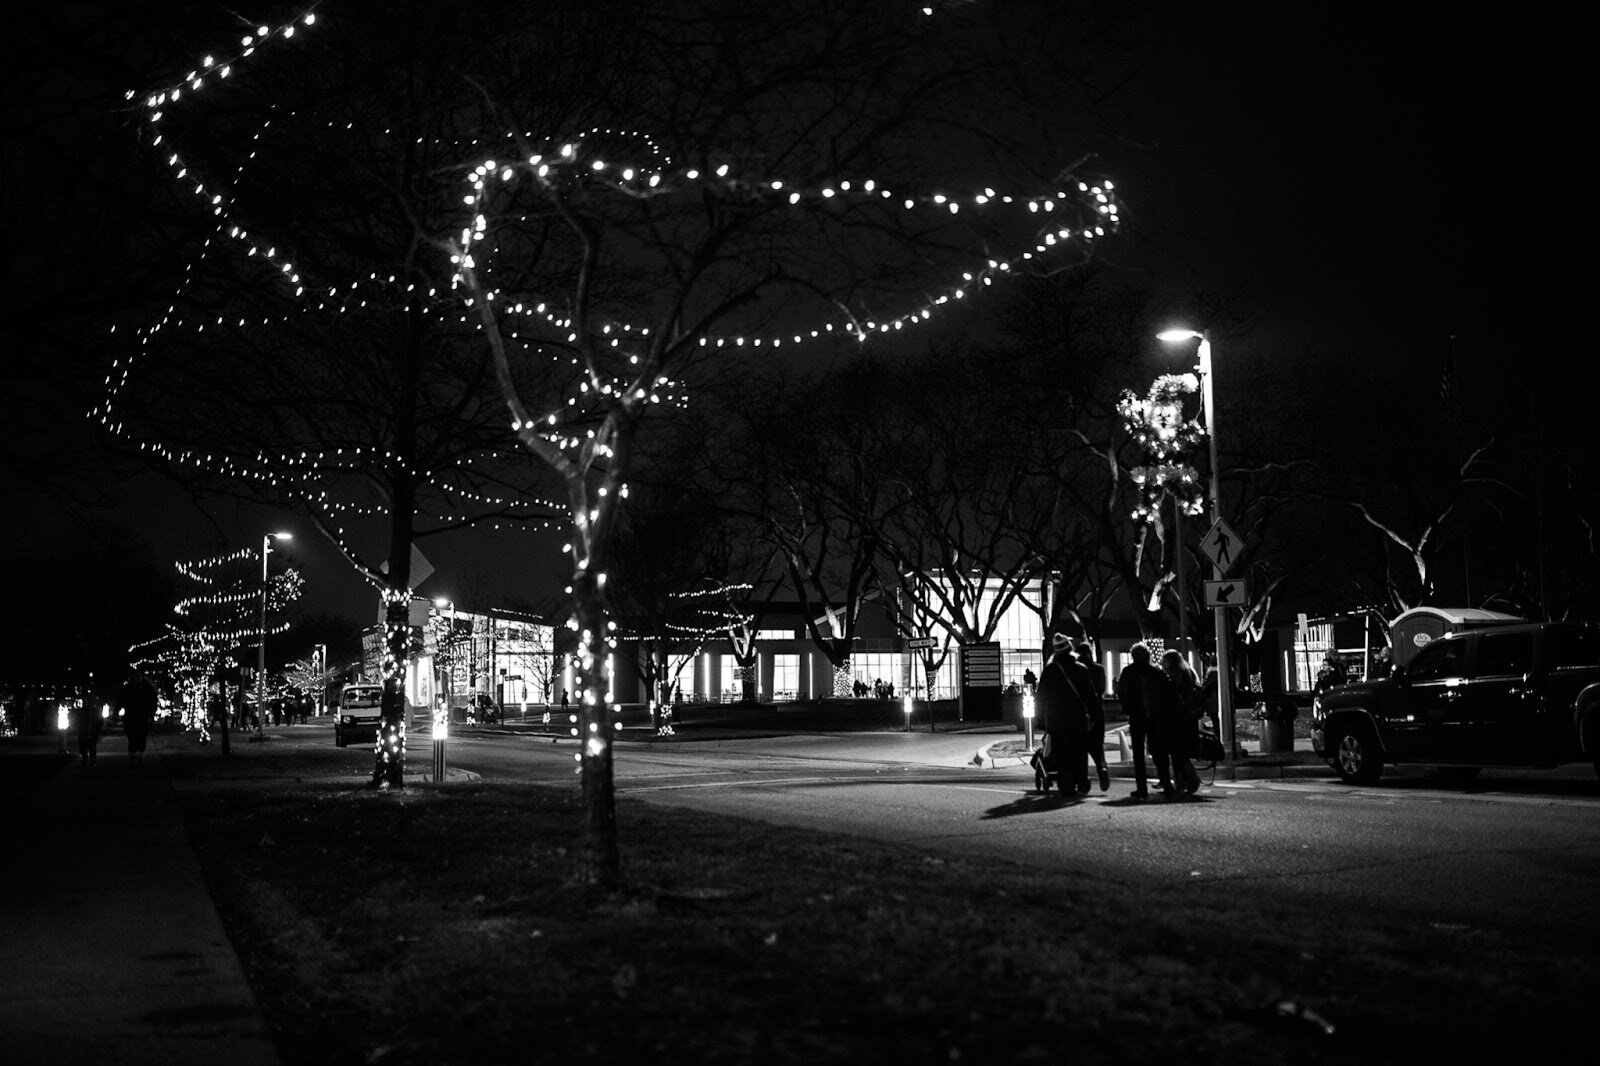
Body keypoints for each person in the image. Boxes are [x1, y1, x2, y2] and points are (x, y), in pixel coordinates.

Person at [1036, 633, 1090, 795]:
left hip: (1056, 719)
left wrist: (1040, 720)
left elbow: (1041, 697)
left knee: (1060, 751)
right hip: (1077, 718)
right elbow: (1090, 696)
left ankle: (1065, 779)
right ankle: (1081, 780)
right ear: (1070, 648)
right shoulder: (1081, 670)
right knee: (1079, 750)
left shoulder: (1050, 671)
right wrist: (1093, 716)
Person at [1114, 642, 1167, 801]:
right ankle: (1166, 782)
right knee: (1158, 750)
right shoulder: (1155, 672)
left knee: (1138, 753)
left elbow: (1122, 692)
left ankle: (1141, 788)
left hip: (1137, 715)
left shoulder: (1128, 672)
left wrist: (1127, 707)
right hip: (1155, 716)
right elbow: (1165, 692)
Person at [1159, 650, 1204, 796]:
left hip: (1180, 718)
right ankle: (1183, 781)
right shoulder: (1189, 672)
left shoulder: (1177, 675)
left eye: (1164, 661)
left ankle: (1188, 780)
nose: (1162, 664)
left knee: (1178, 752)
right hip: (1188, 718)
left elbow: (1175, 696)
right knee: (1179, 752)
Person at [1074, 641, 1110, 792]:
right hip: (1097, 711)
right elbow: (1101, 689)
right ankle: (1101, 767)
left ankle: (1083, 782)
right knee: (1097, 745)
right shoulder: (1099, 669)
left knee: (1080, 749)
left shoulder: (1075, 670)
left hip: (1080, 712)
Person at [119, 671, 157, 766]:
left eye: (139, 675)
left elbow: (153, 703)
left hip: (143, 717)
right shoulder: (128, 688)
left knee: (142, 737)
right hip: (130, 716)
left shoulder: (148, 688)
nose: (138, 677)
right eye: (136, 675)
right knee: (131, 737)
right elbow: (120, 700)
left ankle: (140, 755)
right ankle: (132, 754)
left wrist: (150, 715)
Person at [75, 699, 103, 768]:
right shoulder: (82, 711)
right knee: (83, 747)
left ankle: (92, 762)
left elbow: (100, 721)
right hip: (84, 732)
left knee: (92, 748)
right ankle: (85, 759)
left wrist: (98, 729)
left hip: (93, 732)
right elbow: (77, 720)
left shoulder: (96, 711)